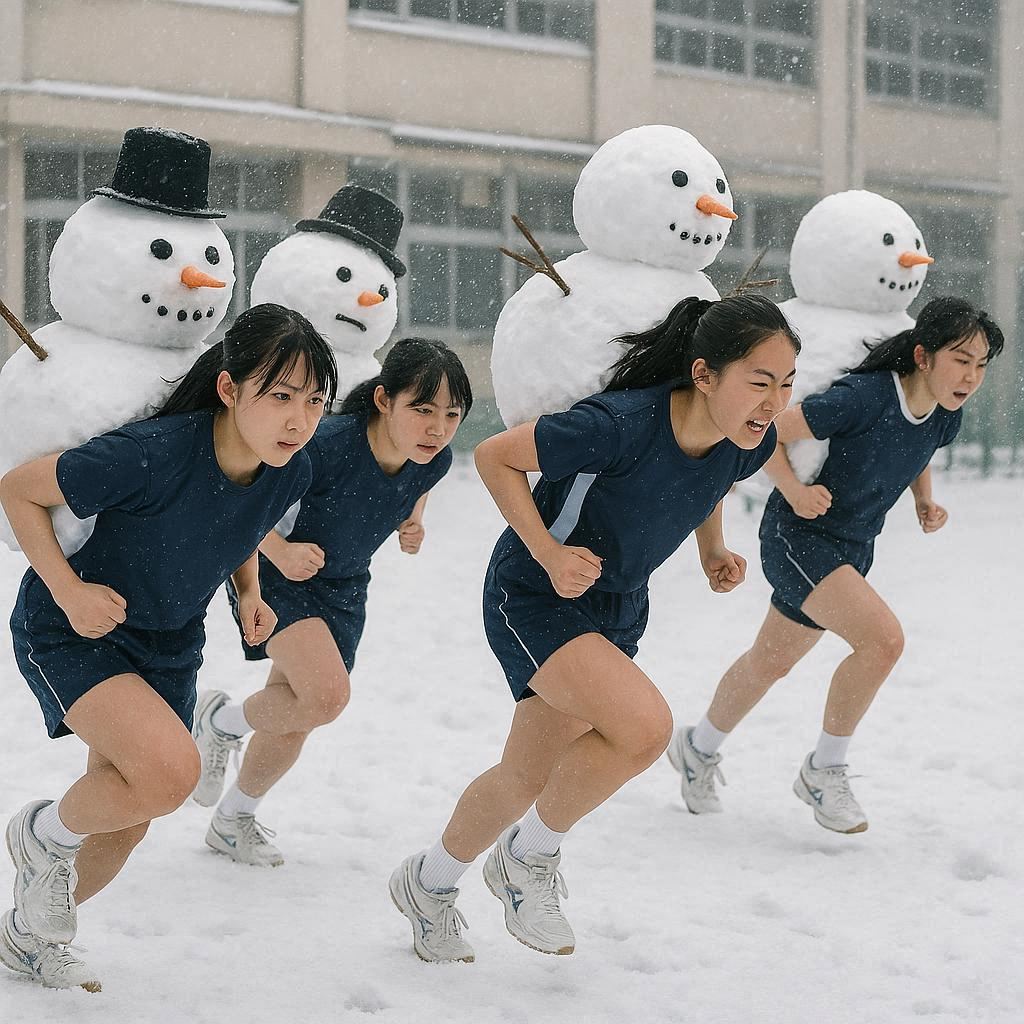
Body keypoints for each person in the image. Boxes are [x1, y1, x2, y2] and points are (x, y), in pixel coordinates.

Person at [389, 294, 798, 963]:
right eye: (759, 382)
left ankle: (428, 885)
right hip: (534, 592)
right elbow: (495, 457)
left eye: (786, 384)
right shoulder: (617, 426)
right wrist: (549, 554)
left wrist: (710, 549)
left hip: (615, 606)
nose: (774, 401)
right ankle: (528, 857)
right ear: (703, 375)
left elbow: (708, 483)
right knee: (643, 728)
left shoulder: (750, 439)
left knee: (526, 774)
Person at [0, 303, 336, 990]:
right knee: (169, 775)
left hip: (170, 642)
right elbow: (16, 492)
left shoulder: (290, 469)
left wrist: (247, 592)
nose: (299, 420)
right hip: (76, 631)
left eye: (315, 400)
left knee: (130, 817)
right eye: (279, 396)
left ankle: (25, 938)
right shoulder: (151, 454)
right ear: (229, 388)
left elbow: (241, 524)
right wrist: (67, 590)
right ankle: (43, 836)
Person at [669, 296, 1003, 834]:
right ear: (923, 355)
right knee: (883, 641)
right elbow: (768, 431)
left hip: (852, 547)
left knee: (768, 662)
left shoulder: (946, 416)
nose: (972, 376)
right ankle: (825, 770)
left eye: (981, 365)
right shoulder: (864, 398)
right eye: (961, 360)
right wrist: (795, 491)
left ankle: (696, 746)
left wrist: (924, 499)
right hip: (799, 536)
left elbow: (915, 453)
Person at [190, 339, 473, 866]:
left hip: (343, 586)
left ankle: (234, 818)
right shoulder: (324, 446)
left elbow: (420, 481)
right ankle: (221, 722)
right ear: (384, 400)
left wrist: (413, 519)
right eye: (423, 408)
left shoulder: (431, 459)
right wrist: (281, 551)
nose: (438, 427)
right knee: (324, 698)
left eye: (452, 414)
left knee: (298, 714)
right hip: (276, 576)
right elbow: (243, 503)